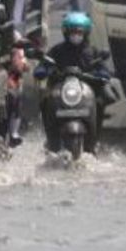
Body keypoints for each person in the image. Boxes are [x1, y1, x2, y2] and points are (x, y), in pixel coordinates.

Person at [35, 11, 110, 152]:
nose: (76, 35)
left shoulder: (92, 52)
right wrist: (43, 71)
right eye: (72, 32)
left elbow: (104, 71)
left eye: (79, 32)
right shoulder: (57, 51)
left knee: (100, 102)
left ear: (86, 33)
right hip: (60, 93)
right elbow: (43, 66)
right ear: (66, 32)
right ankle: (50, 138)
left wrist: (101, 75)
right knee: (45, 101)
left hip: (86, 94)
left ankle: (94, 139)